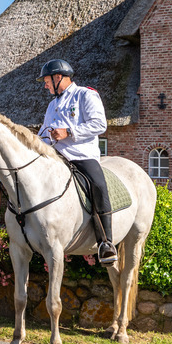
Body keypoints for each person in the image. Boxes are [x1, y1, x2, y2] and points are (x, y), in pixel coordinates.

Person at [37, 58, 117, 264]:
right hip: (55, 157)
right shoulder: (52, 104)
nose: (45, 85)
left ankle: (106, 242)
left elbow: (100, 124)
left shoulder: (86, 95)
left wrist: (69, 132)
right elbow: (44, 134)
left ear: (58, 77)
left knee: (98, 186)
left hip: (81, 156)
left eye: (46, 81)